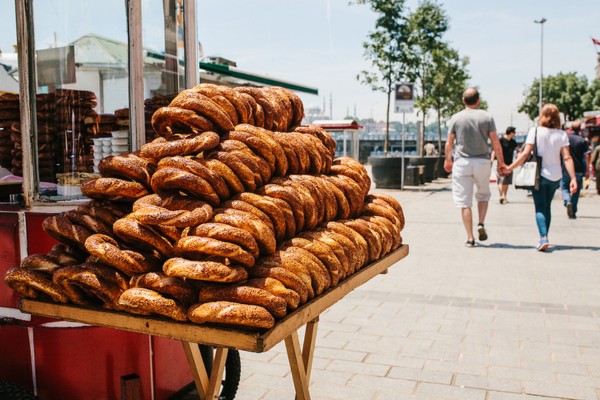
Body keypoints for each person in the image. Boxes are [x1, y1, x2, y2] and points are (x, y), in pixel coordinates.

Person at [504, 103, 577, 252]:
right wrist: (573, 178)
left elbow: (525, 154)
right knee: (547, 206)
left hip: (538, 175)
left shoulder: (535, 131)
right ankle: (544, 236)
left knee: (539, 207)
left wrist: (509, 168)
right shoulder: (562, 135)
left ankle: (543, 238)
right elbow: (567, 158)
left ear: (542, 116)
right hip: (555, 176)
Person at [444, 87, 506, 247]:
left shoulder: (456, 118)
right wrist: (501, 162)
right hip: (482, 162)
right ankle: (481, 223)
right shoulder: (487, 117)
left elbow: (449, 142)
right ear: (478, 100)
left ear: (463, 101)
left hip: (462, 163)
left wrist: (448, 160)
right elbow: (495, 142)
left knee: (465, 202)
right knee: (483, 195)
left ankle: (470, 238)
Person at [560, 121, 589, 219]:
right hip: (579, 169)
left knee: (564, 187)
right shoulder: (582, 140)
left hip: (566, 168)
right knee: (576, 190)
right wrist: (588, 170)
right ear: (580, 129)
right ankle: (573, 207)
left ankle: (567, 200)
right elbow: (586, 155)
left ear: (571, 128)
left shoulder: (565, 138)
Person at [491, 126, 519, 204]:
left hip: (510, 164)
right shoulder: (501, 140)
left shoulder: (513, 142)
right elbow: (494, 150)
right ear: (511, 133)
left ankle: (504, 196)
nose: (515, 134)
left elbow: (518, 150)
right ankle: (502, 196)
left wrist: (520, 157)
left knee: (506, 181)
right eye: (514, 132)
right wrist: (492, 159)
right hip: (500, 163)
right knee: (501, 181)